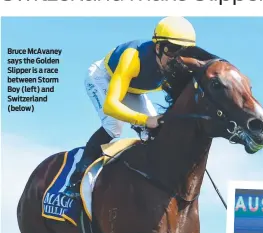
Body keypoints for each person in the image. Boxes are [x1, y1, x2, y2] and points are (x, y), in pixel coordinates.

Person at [64, 16, 197, 197]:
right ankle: (77, 177)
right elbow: (111, 106)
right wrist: (144, 120)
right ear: (158, 47)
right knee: (113, 125)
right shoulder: (132, 57)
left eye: (184, 51)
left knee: (157, 131)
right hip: (103, 77)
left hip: (133, 88)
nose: (177, 58)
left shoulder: (179, 67)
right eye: (172, 50)